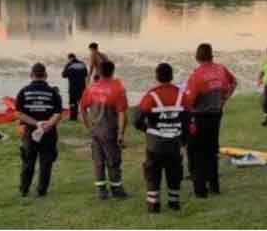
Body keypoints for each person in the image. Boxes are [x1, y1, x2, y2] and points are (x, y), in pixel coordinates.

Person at [134, 63, 190, 213]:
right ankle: (174, 203)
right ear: (171, 77)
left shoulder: (151, 96)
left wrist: (147, 130)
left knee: (153, 173)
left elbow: (137, 119)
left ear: (157, 76)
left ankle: (153, 205)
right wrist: (183, 140)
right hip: (174, 143)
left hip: (155, 144)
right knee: (174, 172)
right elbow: (187, 121)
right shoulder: (181, 95)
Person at [183, 43, 237, 198]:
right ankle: (214, 186)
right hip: (216, 115)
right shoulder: (221, 69)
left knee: (195, 152)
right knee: (211, 151)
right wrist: (224, 99)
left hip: (199, 117)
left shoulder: (196, 75)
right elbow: (234, 83)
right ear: (212, 55)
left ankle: (200, 190)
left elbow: (189, 101)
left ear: (197, 57)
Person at [79, 60, 129, 200]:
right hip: (110, 130)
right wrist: (121, 133)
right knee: (113, 161)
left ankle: (101, 191)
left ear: (99, 72)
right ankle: (116, 189)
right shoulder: (117, 88)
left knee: (98, 161)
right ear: (113, 71)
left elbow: (82, 107)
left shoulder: (91, 88)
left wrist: (87, 125)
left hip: (95, 130)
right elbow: (121, 113)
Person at [15, 63, 63, 197]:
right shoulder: (53, 92)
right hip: (48, 133)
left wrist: (36, 124)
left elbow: (18, 113)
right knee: (46, 162)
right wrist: (48, 125)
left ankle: (24, 189)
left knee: (28, 161)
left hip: (30, 131)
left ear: (31, 75)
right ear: (46, 75)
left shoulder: (23, 91)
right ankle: (42, 191)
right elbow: (58, 114)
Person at [61, 53, 88, 121]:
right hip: (82, 87)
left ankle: (73, 118)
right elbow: (86, 74)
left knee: (73, 103)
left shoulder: (69, 65)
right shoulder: (82, 64)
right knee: (82, 102)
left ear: (70, 58)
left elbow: (63, 75)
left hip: (73, 87)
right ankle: (85, 117)